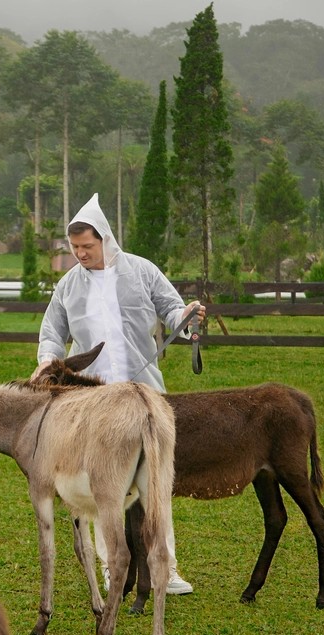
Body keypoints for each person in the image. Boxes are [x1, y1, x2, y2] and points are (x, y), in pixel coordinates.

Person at [31, 193, 204, 596]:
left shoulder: (142, 271)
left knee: (155, 484)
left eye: (87, 247)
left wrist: (188, 318)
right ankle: (114, 568)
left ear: (105, 239)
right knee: (102, 490)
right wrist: (47, 362)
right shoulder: (67, 286)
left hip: (147, 401)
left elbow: (173, 310)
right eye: (74, 249)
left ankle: (166, 567)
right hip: (95, 406)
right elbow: (52, 334)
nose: (80, 255)